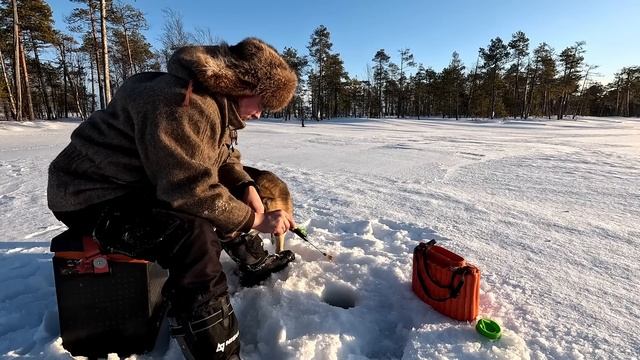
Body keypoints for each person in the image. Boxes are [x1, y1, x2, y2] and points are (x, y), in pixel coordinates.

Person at [47, 38, 298, 360]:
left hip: (138, 184)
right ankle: (216, 349)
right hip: (89, 194)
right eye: (263, 103)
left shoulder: (214, 102)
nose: (261, 114)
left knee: (226, 199)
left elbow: (222, 158)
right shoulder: (182, 103)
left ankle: (253, 262)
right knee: (192, 236)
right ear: (241, 85)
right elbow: (190, 190)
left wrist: (246, 186)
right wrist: (257, 220)